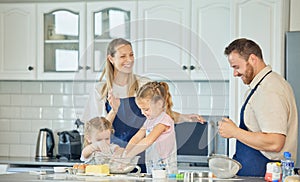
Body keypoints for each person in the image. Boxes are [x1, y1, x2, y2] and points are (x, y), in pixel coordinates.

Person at [81, 38, 205, 172]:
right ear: (111, 59)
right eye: (123, 56)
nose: (129, 60)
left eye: (131, 54)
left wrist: (186, 118)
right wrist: (114, 111)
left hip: (146, 158)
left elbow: (160, 115)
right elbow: (97, 130)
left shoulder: (143, 84)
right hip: (115, 159)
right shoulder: (100, 90)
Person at [218, 38, 298, 177]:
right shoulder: (264, 85)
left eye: (237, 67)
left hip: (263, 174)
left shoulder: (269, 89)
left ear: (253, 59)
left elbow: (275, 142)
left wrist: (235, 132)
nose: (235, 74)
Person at [124, 81, 177, 174]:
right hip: (153, 170)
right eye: (141, 109)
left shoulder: (164, 121)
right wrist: (125, 153)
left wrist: (129, 155)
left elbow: (149, 140)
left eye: (146, 109)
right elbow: (137, 137)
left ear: (159, 104)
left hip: (166, 173)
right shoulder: (149, 121)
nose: (142, 113)